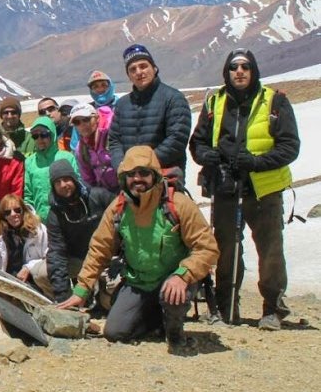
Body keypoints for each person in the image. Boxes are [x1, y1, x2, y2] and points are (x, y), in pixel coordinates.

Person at [59, 146, 218, 348]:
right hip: (139, 282)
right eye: (131, 174)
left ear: (154, 175)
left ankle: (175, 333)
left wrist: (182, 275)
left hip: (174, 278)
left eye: (143, 173)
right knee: (114, 332)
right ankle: (156, 320)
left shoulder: (178, 204)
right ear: (124, 178)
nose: (137, 179)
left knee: (172, 293)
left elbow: (207, 248)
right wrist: (81, 290)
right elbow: (99, 249)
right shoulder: (118, 208)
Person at [189, 49, 300, 329]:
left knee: (270, 248)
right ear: (226, 72)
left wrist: (256, 162)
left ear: (254, 70)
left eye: (245, 67)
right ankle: (227, 306)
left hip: (264, 187)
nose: (239, 72)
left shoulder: (274, 101)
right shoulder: (215, 102)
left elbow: (289, 146)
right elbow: (198, 142)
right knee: (225, 248)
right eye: (234, 67)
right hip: (226, 185)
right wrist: (207, 156)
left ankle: (272, 308)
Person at [108, 44, 192, 173]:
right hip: (130, 178)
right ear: (129, 76)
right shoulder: (122, 105)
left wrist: (144, 164)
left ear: (154, 68)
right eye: (133, 69)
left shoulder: (173, 98)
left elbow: (177, 139)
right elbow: (114, 140)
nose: (139, 72)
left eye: (143, 66)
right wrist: (121, 165)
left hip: (165, 176)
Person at [45, 160, 115, 304]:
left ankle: (101, 294)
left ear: (74, 178)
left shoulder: (99, 196)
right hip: (79, 261)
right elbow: (56, 253)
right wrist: (62, 296)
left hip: (108, 258)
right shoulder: (54, 215)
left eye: (66, 179)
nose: (63, 185)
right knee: (40, 273)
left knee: (109, 303)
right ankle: (70, 302)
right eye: (57, 182)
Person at [0, 194, 50, 293]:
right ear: (3, 215)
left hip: (33, 278)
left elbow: (48, 256)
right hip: (8, 281)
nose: (13, 214)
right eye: (7, 212)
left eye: (17, 210)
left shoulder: (38, 229)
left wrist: (28, 267)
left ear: (23, 210)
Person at [23, 116, 77, 221]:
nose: (39, 139)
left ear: (52, 134)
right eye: (35, 136)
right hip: (41, 219)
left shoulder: (67, 157)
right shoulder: (29, 162)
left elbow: (78, 184)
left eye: (43, 134)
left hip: (68, 216)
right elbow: (28, 194)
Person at [71, 103, 118, 192]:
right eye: (77, 122)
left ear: (97, 118)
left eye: (86, 119)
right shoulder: (81, 149)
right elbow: (88, 179)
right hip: (104, 193)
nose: (82, 125)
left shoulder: (112, 134)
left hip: (124, 188)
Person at [71, 71, 118, 153]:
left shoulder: (121, 106)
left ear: (110, 86)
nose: (100, 89)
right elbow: (75, 145)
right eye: (95, 87)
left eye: (104, 85)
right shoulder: (84, 112)